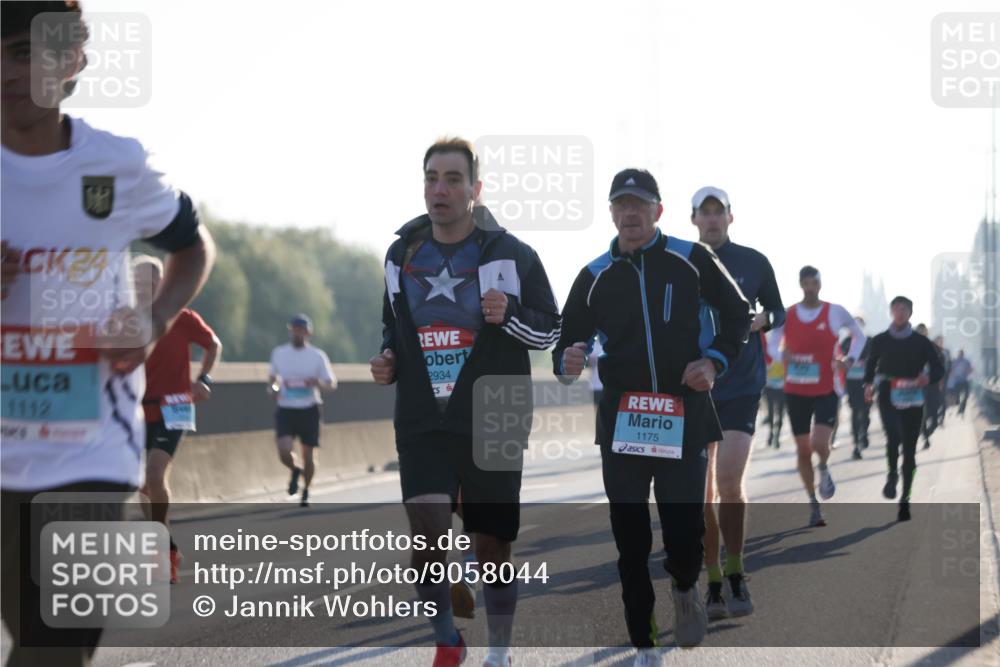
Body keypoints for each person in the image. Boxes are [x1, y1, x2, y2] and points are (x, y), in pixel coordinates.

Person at [1, 3, 215, 663]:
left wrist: (154, 319)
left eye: (23, 53)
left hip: (92, 449)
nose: (6, 73)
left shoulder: (116, 164)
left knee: (53, 648)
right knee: (31, 637)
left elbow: (193, 247)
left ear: (72, 62)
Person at [370, 137, 560, 667]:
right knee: (428, 536)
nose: (440, 189)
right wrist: (388, 357)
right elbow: (392, 324)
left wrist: (510, 314)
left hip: (494, 411)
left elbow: (551, 330)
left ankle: (498, 654)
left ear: (476, 189)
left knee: (491, 545)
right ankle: (447, 640)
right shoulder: (401, 254)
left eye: (453, 179)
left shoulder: (512, 254)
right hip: (422, 415)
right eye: (432, 178)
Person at [553, 168, 751, 661]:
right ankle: (645, 641)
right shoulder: (594, 275)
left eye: (639, 204)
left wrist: (714, 361)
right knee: (631, 539)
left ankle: (685, 587)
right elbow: (567, 339)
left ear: (658, 211)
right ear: (611, 213)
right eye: (621, 204)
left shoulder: (691, 258)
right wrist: (567, 360)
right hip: (623, 421)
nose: (630, 213)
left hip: (684, 415)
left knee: (683, 533)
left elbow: (738, 314)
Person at [688, 186, 785, 620]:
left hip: (742, 385)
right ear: (693, 219)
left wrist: (764, 318)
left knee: (728, 481)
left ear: (730, 217)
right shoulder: (681, 262)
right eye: (704, 212)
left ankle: (736, 571)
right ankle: (712, 581)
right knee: (701, 494)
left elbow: (779, 310)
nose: (712, 219)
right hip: (696, 388)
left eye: (718, 212)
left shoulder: (754, 261)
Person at [134, 255, 221, 583]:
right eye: (136, 283)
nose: (141, 288)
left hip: (175, 406)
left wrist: (204, 379)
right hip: (138, 409)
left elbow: (213, 345)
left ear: (161, 283)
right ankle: (163, 543)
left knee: (155, 472)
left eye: (147, 282)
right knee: (142, 484)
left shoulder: (182, 318)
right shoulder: (126, 320)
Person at [767, 266, 865, 527]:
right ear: (801, 285)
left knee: (819, 443)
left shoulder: (835, 312)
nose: (810, 288)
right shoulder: (788, 314)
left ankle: (823, 465)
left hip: (826, 389)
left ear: (820, 285)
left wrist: (849, 360)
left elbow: (859, 336)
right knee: (802, 450)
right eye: (806, 283)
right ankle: (813, 503)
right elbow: (771, 344)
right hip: (795, 390)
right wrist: (782, 355)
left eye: (814, 283)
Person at [863, 297, 945, 521]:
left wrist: (927, 378)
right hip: (888, 394)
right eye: (896, 308)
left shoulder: (921, 342)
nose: (900, 312)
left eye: (904, 309)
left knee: (909, 449)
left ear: (910, 313)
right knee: (893, 437)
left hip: (914, 396)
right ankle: (892, 475)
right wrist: (868, 384)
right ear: (891, 312)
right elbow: (870, 364)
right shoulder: (880, 340)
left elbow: (939, 368)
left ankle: (905, 499)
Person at [268, 314, 336, 507]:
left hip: (309, 409)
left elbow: (331, 384)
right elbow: (273, 379)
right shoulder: (279, 353)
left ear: (308, 333)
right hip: (286, 408)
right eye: (295, 329)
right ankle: (295, 469)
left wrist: (317, 382)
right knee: (284, 450)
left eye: (302, 330)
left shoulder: (317, 356)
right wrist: (274, 389)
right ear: (291, 331)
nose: (298, 333)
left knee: (309, 454)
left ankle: (306, 490)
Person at [841, 316, 871, 460]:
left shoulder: (869, 341)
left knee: (865, 411)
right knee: (854, 411)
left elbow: (875, 359)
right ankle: (856, 443)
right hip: (851, 381)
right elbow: (840, 359)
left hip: (867, 382)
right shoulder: (845, 342)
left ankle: (864, 433)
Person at [913, 324, 944, 449]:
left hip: (932, 384)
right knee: (922, 412)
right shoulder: (910, 346)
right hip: (916, 385)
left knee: (934, 415)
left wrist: (940, 380)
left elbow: (940, 365)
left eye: (923, 332)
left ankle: (927, 432)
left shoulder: (933, 347)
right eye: (919, 332)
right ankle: (924, 436)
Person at [762, 328, 786, 448]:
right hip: (770, 387)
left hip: (782, 389)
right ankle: (771, 433)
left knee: (780, 414)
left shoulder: (784, 353)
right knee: (771, 412)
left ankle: (777, 436)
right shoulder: (768, 353)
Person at [948, 349, 973, 416]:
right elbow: (970, 370)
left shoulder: (958, 361)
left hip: (960, 381)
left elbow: (952, 371)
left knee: (961, 396)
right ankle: (960, 409)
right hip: (961, 381)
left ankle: (960, 409)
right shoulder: (962, 361)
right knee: (962, 396)